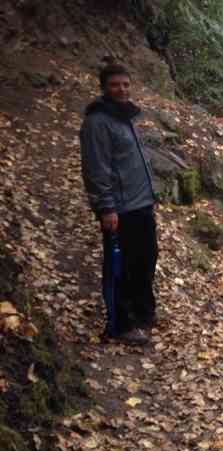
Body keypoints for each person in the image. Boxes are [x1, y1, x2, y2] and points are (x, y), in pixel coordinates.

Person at [80, 63, 158, 345]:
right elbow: (96, 169)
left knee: (145, 261)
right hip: (120, 210)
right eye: (115, 85)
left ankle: (142, 313)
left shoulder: (127, 117)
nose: (122, 89)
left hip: (142, 204)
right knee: (119, 267)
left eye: (125, 84)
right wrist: (106, 208)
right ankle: (121, 325)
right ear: (104, 88)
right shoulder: (97, 122)